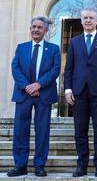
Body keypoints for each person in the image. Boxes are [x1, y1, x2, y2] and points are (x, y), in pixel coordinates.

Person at [64, 8, 97, 177]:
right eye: (85, 18)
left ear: (96, 22)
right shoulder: (74, 42)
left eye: (91, 18)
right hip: (78, 92)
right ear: (81, 21)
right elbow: (69, 68)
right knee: (80, 130)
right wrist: (67, 89)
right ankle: (82, 165)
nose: (87, 20)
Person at [8, 16, 61, 177]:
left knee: (42, 131)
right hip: (23, 94)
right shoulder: (21, 47)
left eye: (39, 27)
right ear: (30, 29)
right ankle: (20, 165)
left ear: (46, 30)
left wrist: (38, 84)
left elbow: (55, 69)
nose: (35, 30)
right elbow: (15, 68)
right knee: (20, 131)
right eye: (33, 27)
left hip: (44, 94)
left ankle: (39, 165)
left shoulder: (53, 48)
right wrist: (27, 86)